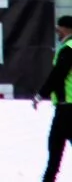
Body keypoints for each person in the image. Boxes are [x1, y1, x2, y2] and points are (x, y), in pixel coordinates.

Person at [36, 15, 72, 182]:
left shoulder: (68, 49)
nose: (57, 30)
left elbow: (58, 75)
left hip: (67, 107)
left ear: (67, 29)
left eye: (59, 27)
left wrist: (41, 94)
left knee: (55, 145)